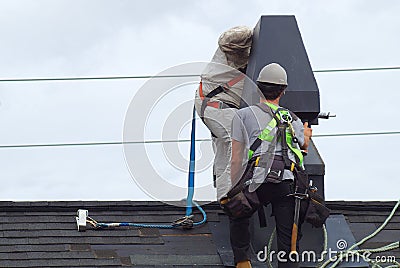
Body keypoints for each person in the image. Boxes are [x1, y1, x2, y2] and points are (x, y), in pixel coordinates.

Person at [229, 63, 312, 268]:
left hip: (256, 182)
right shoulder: (293, 119)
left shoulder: (242, 116)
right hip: (286, 184)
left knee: (237, 213)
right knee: (288, 238)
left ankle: (243, 261)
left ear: (258, 88)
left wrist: (234, 190)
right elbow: (303, 148)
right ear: (282, 91)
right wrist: (307, 136)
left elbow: (236, 157)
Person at [194, 26, 253, 200]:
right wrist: (251, 36)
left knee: (224, 150)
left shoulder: (245, 62)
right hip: (217, 104)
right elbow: (228, 39)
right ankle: (231, 198)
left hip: (215, 105)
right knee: (237, 144)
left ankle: (223, 197)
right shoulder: (234, 46)